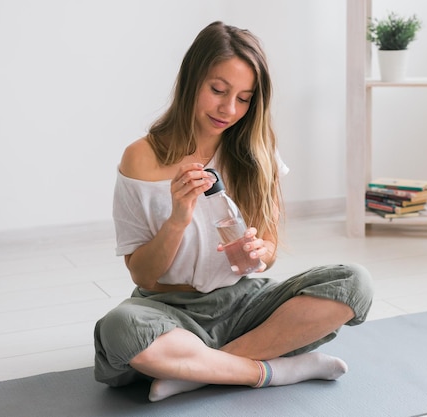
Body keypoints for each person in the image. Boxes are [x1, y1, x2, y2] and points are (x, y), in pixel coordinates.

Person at [93, 21, 374, 402]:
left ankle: (198, 370)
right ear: (192, 80)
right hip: (167, 310)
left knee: (354, 283)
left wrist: (260, 253)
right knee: (120, 328)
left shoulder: (257, 152)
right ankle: (273, 370)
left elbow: (269, 248)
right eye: (218, 90)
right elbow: (142, 274)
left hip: (244, 303)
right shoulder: (140, 158)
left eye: (244, 98)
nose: (229, 109)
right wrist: (178, 218)